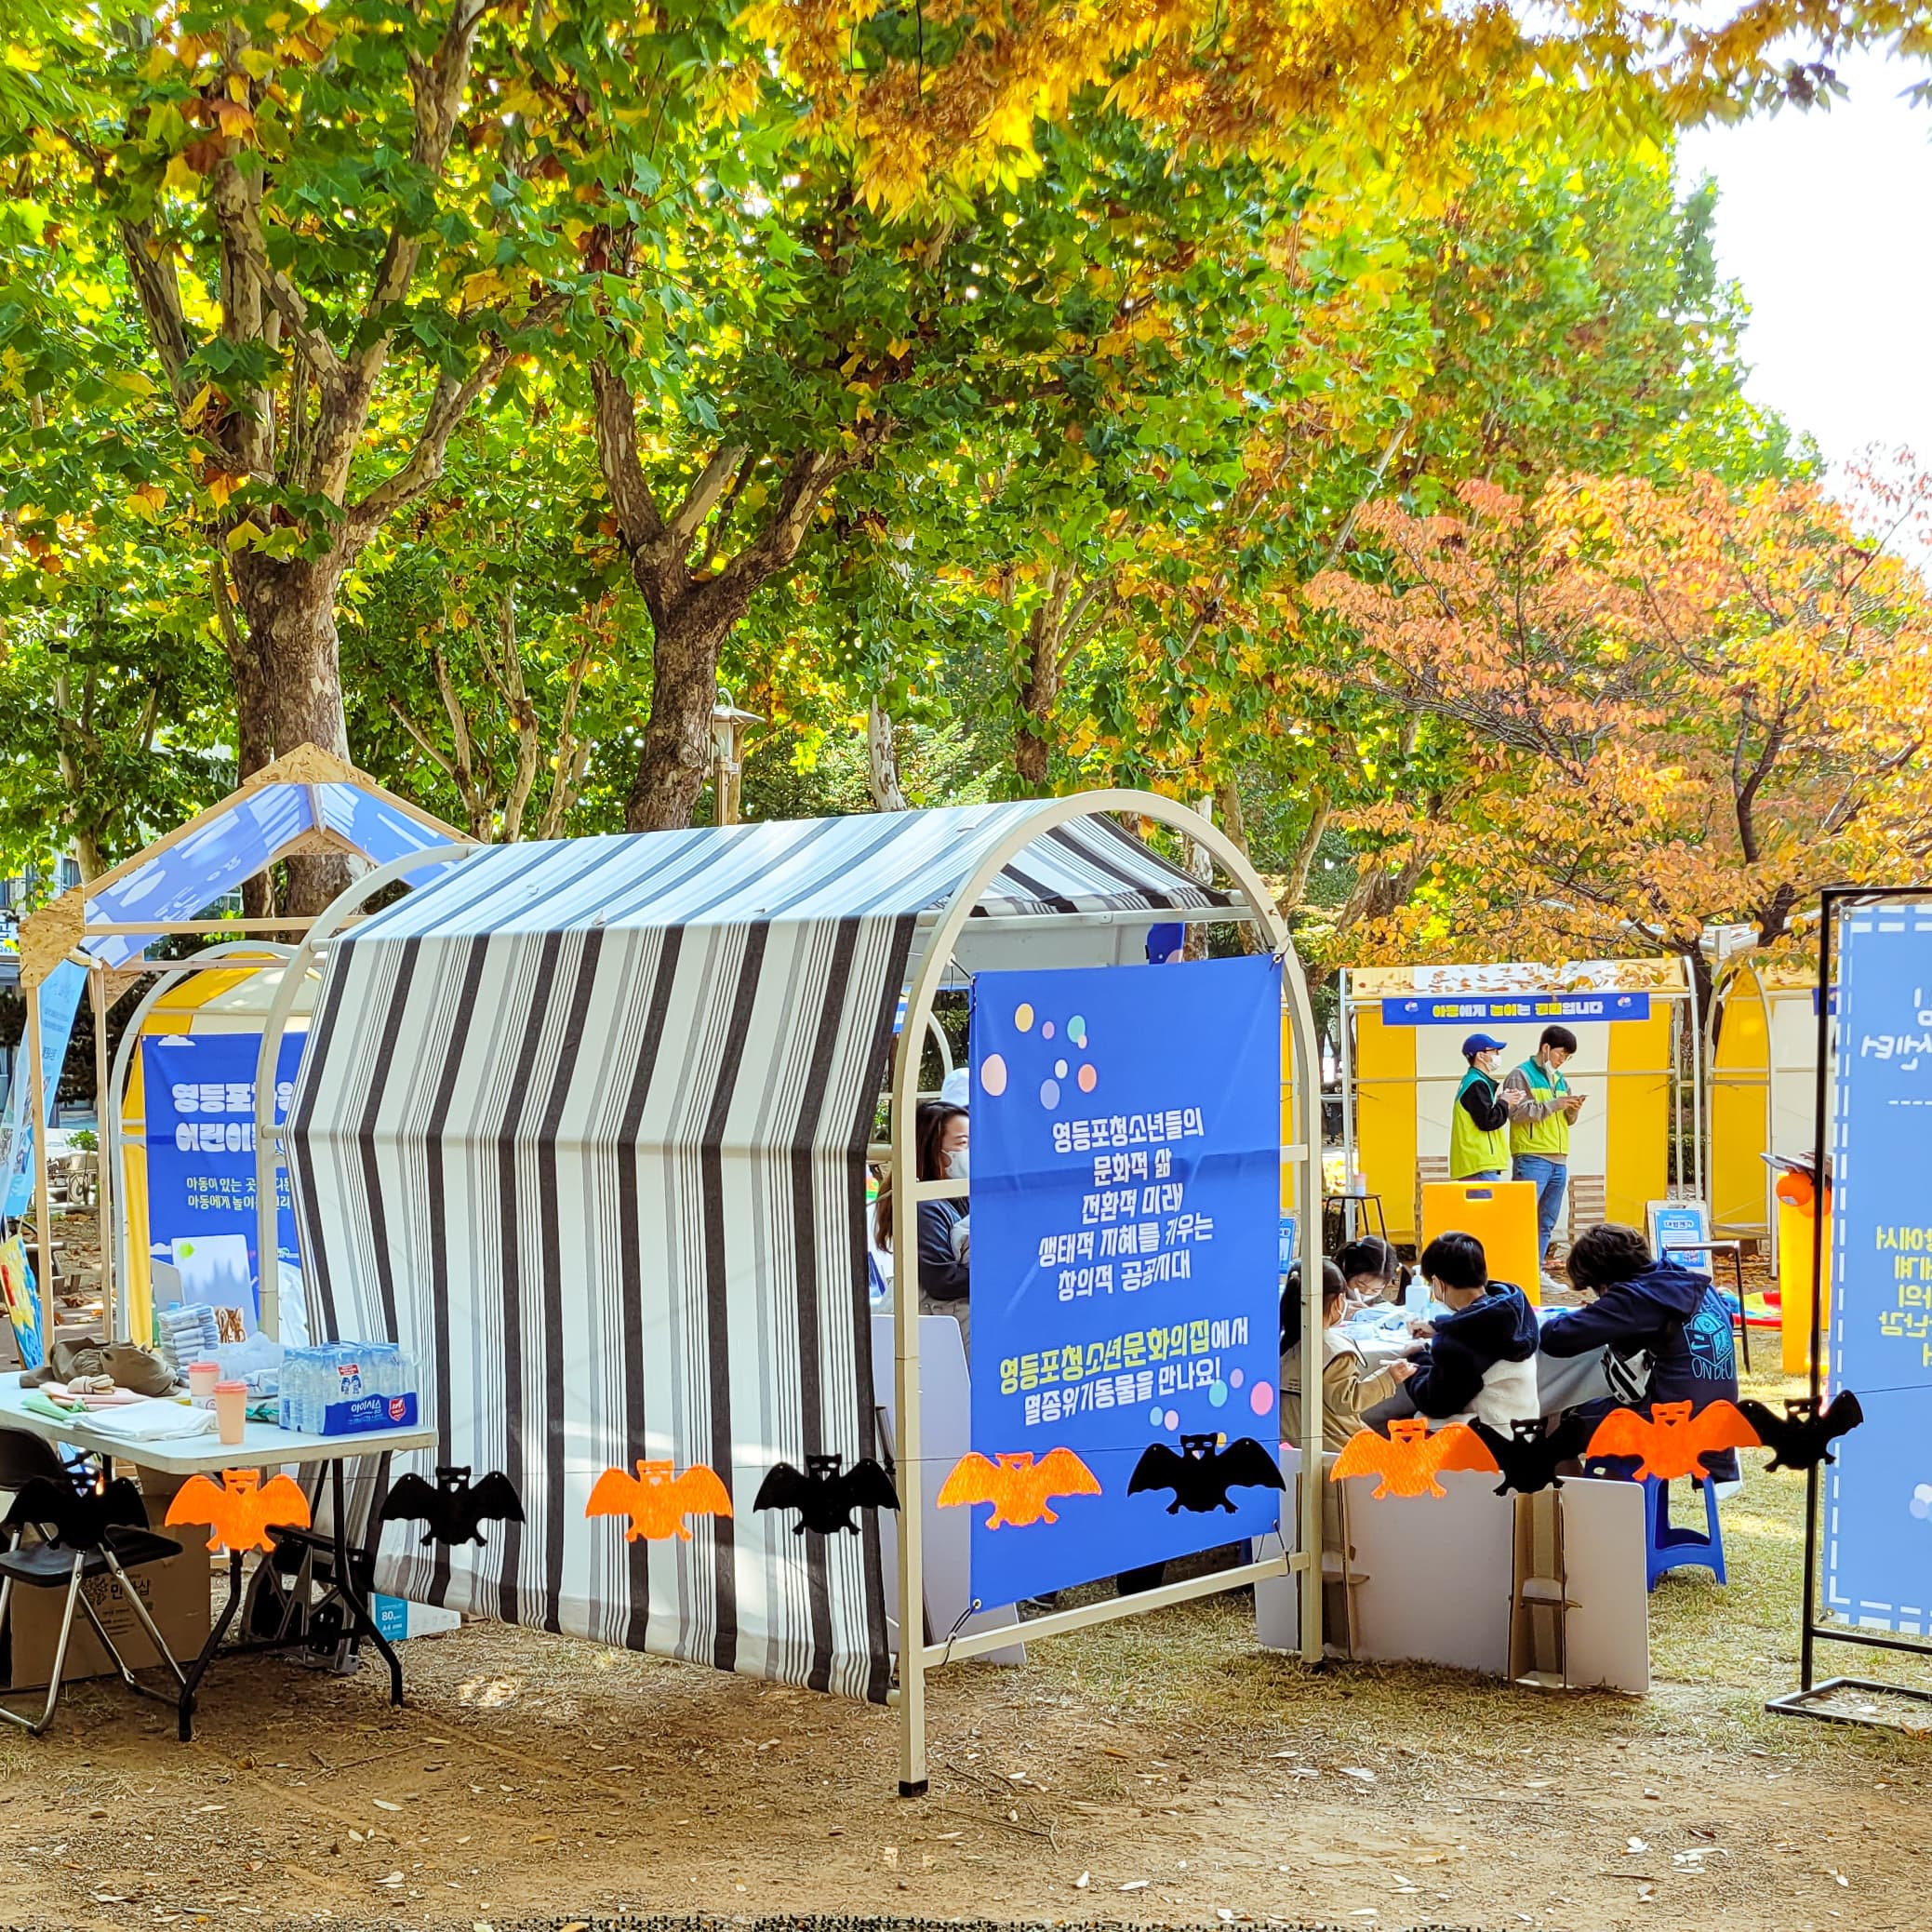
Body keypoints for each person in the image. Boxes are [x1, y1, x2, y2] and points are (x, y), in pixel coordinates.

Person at [1539, 1221, 1742, 1481]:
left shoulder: (1636, 1297)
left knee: (1560, 1425)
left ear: (1604, 1281)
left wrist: (1599, 1312)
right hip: (1717, 1423)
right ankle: (1617, 1498)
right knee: (1616, 1423)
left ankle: (1577, 1511)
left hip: (1671, 1422)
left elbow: (1558, 1337)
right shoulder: (1687, 1284)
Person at [1366, 1230, 1539, 1432]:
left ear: (1439, 1284)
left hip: (1482, 1440)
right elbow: (1479, 1326)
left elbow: (1436, 1402)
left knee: (1386, 1428)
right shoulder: (1513, 1307)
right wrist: (1440, 1327)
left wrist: (1417, 1358)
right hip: (1522, 1428)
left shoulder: (1460, 1339)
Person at [1281, 1259, 1415, 1451]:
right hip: (1335, 1449)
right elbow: (1346, 1401)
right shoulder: (1335, 1351)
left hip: (1290, 1447)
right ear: (1338, 1301)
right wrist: (1389, 1378)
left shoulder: (1282, 1343)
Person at [873, 1099, 970, 1339]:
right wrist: (1001, 1274)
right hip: (933, 1335)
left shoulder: (958, 1195)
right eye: (963, 1143)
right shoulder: (925, 1205)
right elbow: (942, 1280)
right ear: (933, 1149)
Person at [1502, 1024, 1585, 1287]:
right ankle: (1518, 1272)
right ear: (1546, 1048)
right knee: (1523, 1219)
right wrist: (1555, 1104)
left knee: (1546, 1221)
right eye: (1561, 1054)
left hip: (1559, 1158)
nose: (1563, 1060)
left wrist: (1573, 1108)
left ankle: (1535, 1271)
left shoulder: (1560, 1079)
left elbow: (1566, 1120)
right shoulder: (1520, 1075)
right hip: (1532, 1156)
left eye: (1568, 1057)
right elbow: (1516, 1113)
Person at [1450, 1032, 1524, 1180]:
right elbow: (1488, 1121)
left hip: (1475, 1164)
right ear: (1480, 1056)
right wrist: (1504, 1102)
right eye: (1494, 1051)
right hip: (1480, 1164)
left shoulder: (1473, 1082)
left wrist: (1503, 1101)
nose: (1497, 1055)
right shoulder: (1477, 1083)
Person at [1335, 1235, 1408, 1310]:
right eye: (1360, 1285)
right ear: (1345, 1271)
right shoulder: (1327, 1284)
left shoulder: (1380, 1304)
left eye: (1375, 1290)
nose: (1366, 1292)